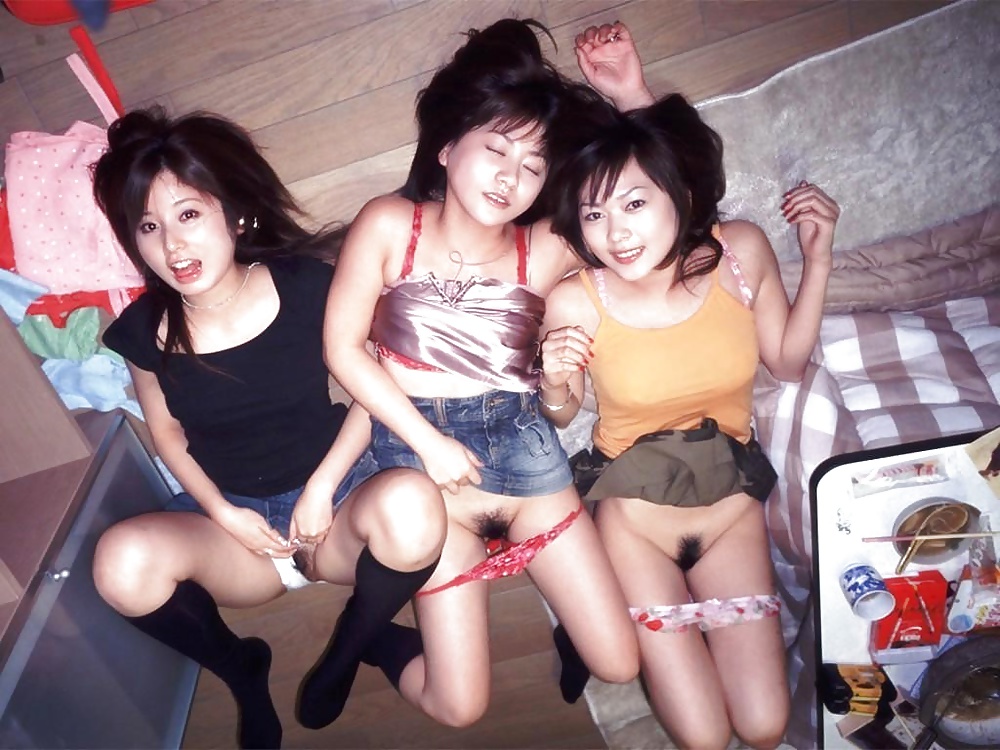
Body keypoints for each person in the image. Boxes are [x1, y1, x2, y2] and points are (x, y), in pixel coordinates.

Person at [315, 18, 642, 729]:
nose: (510, 176)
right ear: (446, 146)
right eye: (495, 149)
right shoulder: (389, 223)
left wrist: (630, 96)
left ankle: (572, 623)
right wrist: (428, 443)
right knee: (459, 708)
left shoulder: (547, 246)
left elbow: (658, 208)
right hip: (426, 474)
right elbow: (343, 351)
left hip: (528, 459)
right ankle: (374, 643)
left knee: (621, 665)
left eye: (533, 165)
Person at [92, 107, 446, 749]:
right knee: (119, 564)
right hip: (236, 535)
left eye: (188, 214)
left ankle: (354, 645)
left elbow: (376, 385)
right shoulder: (143, 332)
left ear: (236, 214)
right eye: (149, 226)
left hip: (338, 509)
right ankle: (241, 670)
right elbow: (167, 436)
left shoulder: (309, 285)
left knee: (416, 506)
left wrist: (323, 486)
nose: (172, 246)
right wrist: (223, 514)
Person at [539, 29, 840, 750]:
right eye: (594, 215)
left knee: (763, 726)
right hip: (635, 517)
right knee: (703, 738)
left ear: (678, 194)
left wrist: (819, 260)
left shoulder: (739, 253)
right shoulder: (577, 298)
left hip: (730, 507)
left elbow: (787, 362)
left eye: (634, 204)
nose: (615, 232)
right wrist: (551, 378)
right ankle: (612, 623)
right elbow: (563, 411)